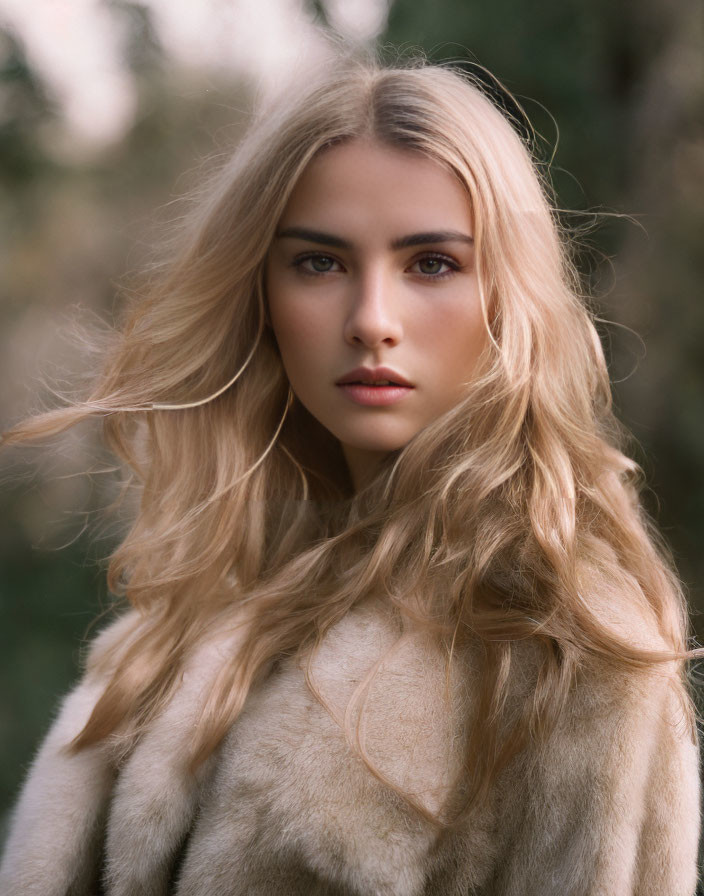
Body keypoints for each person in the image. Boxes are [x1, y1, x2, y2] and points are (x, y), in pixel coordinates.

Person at [0, 54, 700, 896]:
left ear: (508, 296)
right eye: (320, 263)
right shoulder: (192, 618)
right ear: (262, 292)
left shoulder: (571, 650)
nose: (372, 320)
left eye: (432, 263)